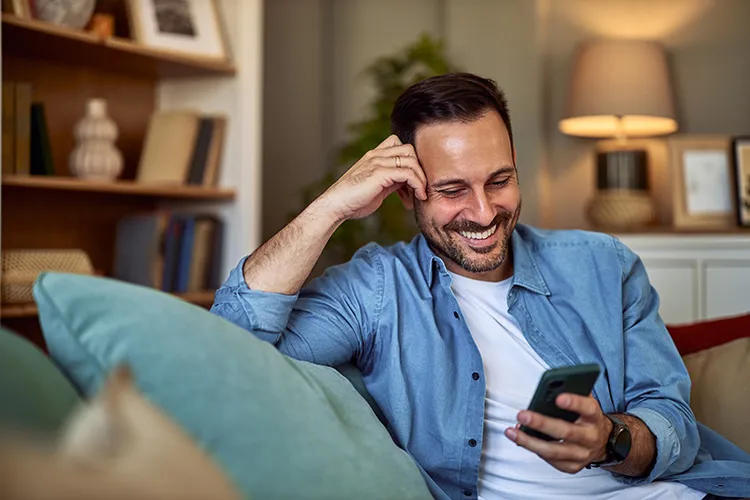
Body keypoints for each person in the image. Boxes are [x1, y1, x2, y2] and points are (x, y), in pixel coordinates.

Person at [210, 73, 750, 499]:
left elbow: (673, 419)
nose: (485, 211)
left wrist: (609, 439)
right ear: (406, 192)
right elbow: (230, 356)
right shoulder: (377, 289)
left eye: (500, 180)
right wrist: (331, 206)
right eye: (451, 190)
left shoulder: (604, 264)